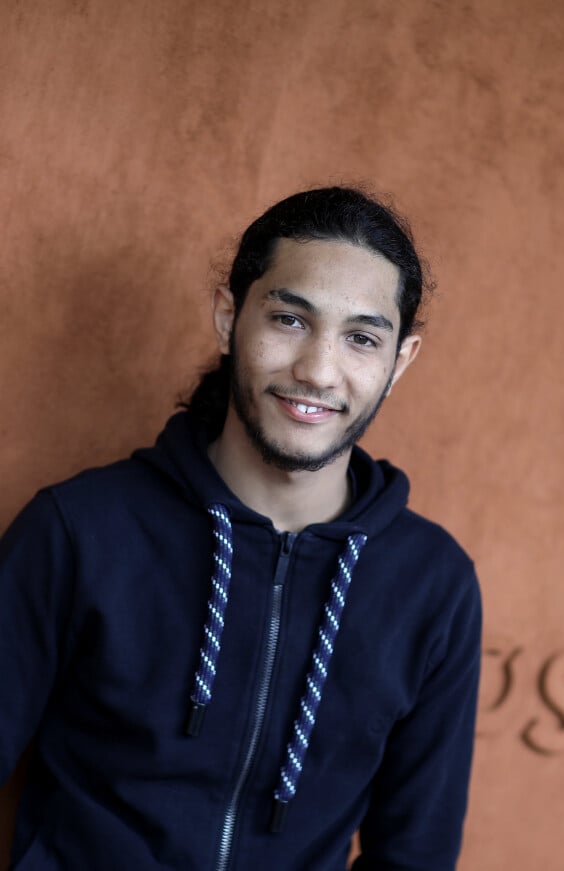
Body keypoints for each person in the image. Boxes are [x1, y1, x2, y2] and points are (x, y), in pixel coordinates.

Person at [0, 186, 481, 870]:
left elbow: (416, 854)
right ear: (230, 318)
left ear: (398, 361)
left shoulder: (433, 585)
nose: (318, 369)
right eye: (289, 319)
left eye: (362, 338)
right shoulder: (79, 529)